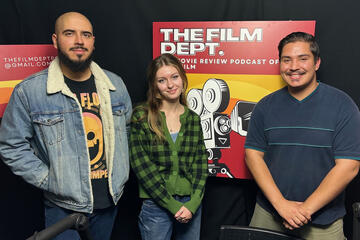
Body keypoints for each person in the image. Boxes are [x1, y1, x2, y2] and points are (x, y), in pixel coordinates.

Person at [0, 12, 132, 240]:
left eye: (86, 34)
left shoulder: (115, 85)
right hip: (63, 208)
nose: (79, 40)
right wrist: (48, 179)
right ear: (55, 40)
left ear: (93, 41)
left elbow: (128, 133)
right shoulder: (29, 91)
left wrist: (121, 173)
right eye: (69, 33)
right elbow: (11, 145)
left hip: (109, 204)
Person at [244, 32, 360, 240]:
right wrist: (281, 205)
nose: (294, 66)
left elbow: (348, 166)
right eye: (286, 60)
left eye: (303, 59)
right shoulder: (265, 106)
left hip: (324, 218)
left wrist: (304, 210)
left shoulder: (342, 105)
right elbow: (252, 156)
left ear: (317, 63)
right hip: (268, 212)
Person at [129, 53, 208, 240]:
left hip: (191, 205)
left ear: (182, 79)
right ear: (155, 86)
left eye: (174, 77)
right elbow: (142, 166)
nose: (171, 85)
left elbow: (200, 164)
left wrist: (193, 203)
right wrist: (171, 204)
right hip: (156, 205)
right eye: (162, 80)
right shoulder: (142, 116)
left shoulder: (193, 119)